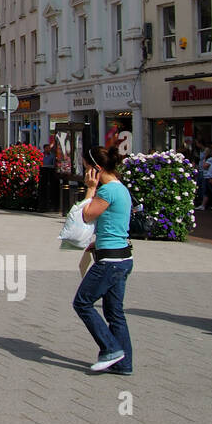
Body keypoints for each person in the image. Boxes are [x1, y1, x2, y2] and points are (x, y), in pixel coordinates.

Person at [72, 145, 134, 374]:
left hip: (109, 262)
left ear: (96, 169)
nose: (85, 172)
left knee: (82, 303)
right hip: (122, 256)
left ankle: (110, 349)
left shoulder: (106, 191)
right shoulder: (121, 189)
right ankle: (124, 364)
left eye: (87, 168)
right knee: (115, 312)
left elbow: (85, 216)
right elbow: (115, 223)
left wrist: (90, 189)